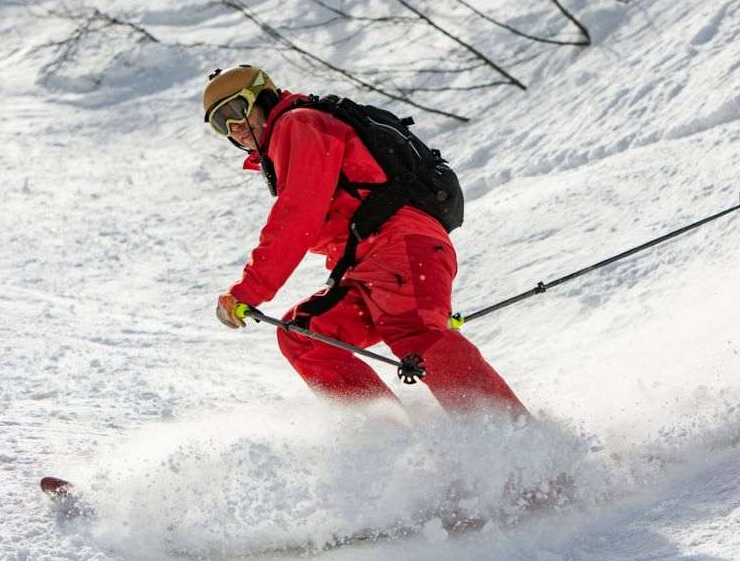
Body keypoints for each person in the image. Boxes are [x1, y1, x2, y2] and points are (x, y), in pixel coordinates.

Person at [203, 65, 529, 420]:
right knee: (306, 338)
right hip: (370, 266)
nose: (233, 126)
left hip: (399, 247)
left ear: (264, 98)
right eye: (220, 123)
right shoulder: (289, 138)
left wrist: (248, 291)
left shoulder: (299, 124)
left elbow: (297, 217)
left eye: (237, 110)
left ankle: (521, 450)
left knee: (417, 334)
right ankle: (393, 448)